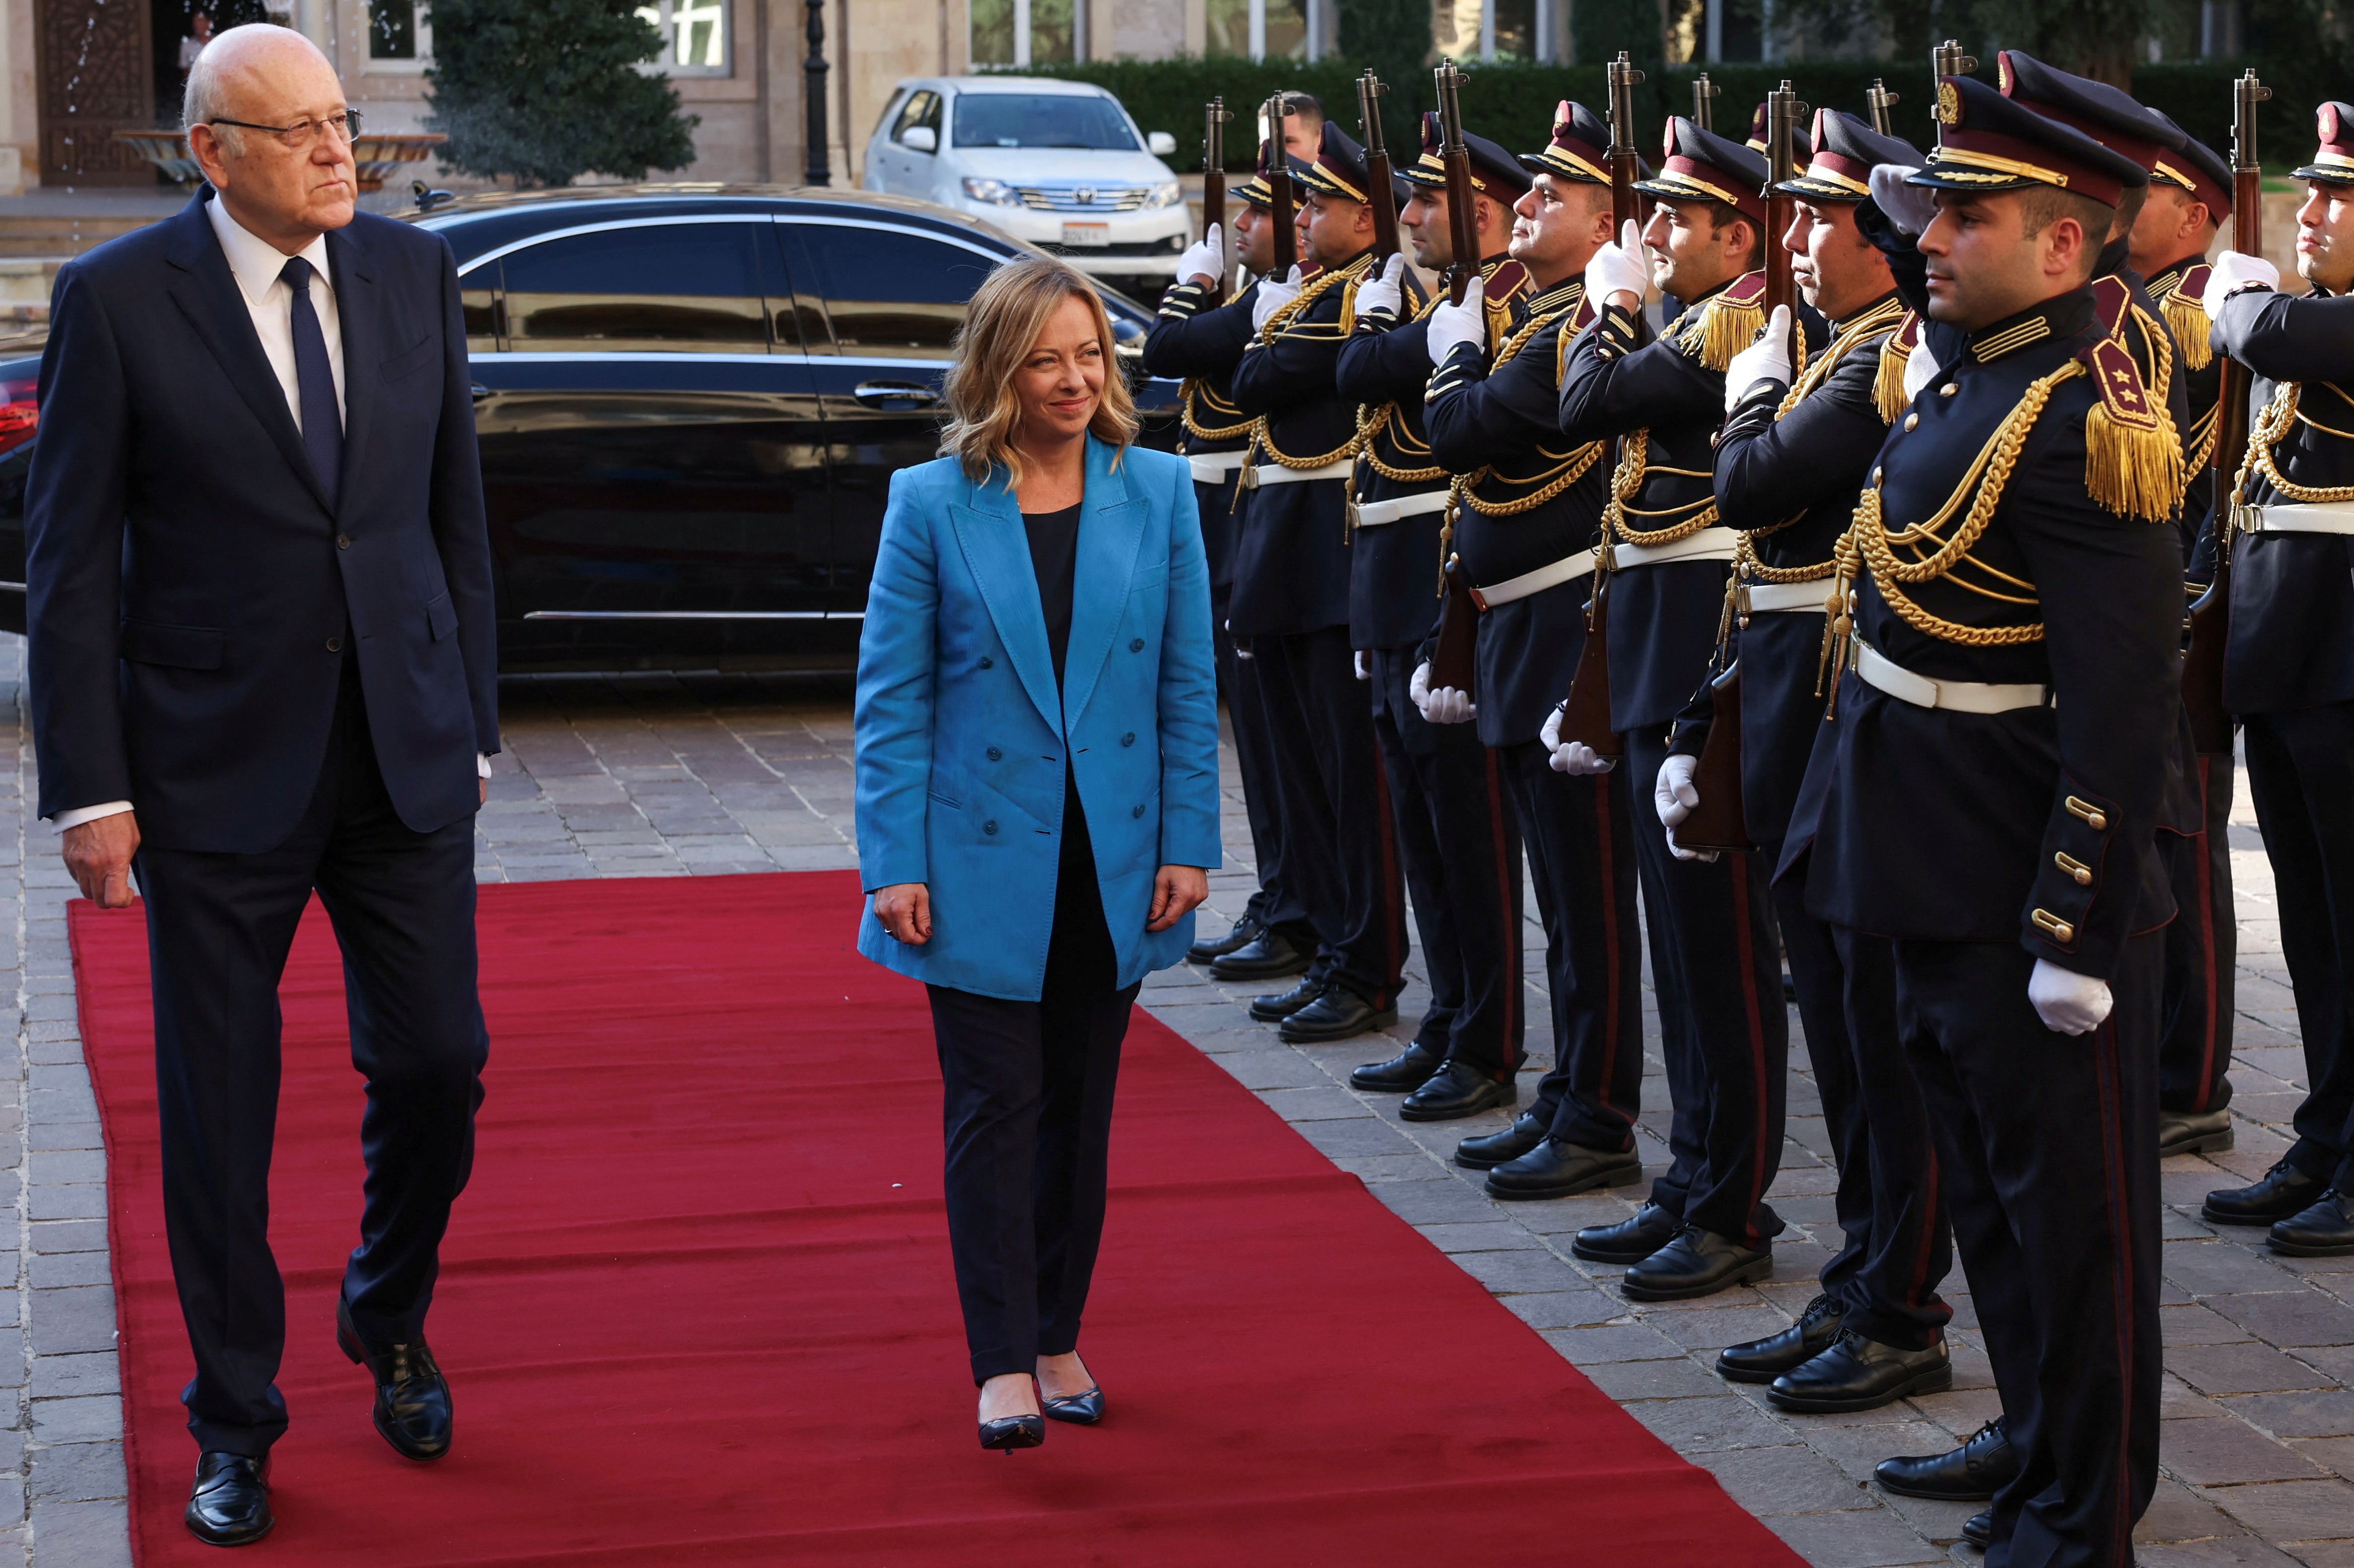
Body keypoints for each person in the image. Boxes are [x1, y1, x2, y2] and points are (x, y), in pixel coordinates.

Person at [25, 23, 496, 1547]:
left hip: (403, 752)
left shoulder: (415, 275)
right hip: (212, 769)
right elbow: (73, 557)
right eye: (296, 130)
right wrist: (89, 788)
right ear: (211, 151)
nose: (335, 149)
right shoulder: (116, 300)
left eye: (341, 121)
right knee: (219, 1113)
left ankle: (388, 1311)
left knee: (437, 1064)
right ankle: (236, 1417)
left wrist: (473, 718)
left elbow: (451, 519)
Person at [1786, 74, 2181, 1561]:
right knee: (2003, 1215)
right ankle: (2035, 1447)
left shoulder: (2087, 414)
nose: (1929, 236)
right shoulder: (1968, 375)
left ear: (2067, 248)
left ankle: (2086, 1514)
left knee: (2075, 1223)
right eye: (1935, 210)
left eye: (1967, 215)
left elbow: (2128, 701)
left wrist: (2074, 921)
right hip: (1922, 849)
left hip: (2021, 872)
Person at [852, 256, 1221, 1452]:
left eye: (1091, 356)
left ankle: (1058, 1333)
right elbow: (892, 701)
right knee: (994, 1105)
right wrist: (890, 862)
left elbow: (1183, 685)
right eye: (1046, 359)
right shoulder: (930, 499)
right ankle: (1000, 1358)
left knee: (1079, 1110)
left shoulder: (1157, 490)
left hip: (1112, 860)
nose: (1073, 380)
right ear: (998, 368)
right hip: (975, 860)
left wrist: (1189, 838)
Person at [1687, 108, 1956, 1415]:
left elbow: (1748, 487)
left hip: (1848, 729)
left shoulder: (1870, 365)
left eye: (1820, 219)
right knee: (1842, 1031)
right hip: (1799, 715)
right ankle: (1861, 1274)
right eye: (1789, 215)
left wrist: (1743, 393)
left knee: (1876, 1033)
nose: (1794, 239)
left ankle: (1900, 1296)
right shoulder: (1825, 348)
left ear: (1882, 241)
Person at [1547, 114, 1791, 1301]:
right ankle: (1694, 1174)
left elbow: (1583, 401)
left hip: (1697, 639)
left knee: (1719, 951)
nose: (1646, 235)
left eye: (1672, 219)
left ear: (1737, 233)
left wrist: (1605, 302)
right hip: (1650, 638)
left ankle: (1732, 1201)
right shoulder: (1694, 318)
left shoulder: (1736, 320)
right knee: (1682, 957)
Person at [1421, 102, 1646, 1198]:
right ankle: (1569, 1090)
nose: (1525, 203)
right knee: (1556, 896)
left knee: (1585, 897)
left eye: (1553, 196)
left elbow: (1457, 433)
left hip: (1566, 625)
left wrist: (1449, 359)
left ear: (1610, 219)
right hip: (1517, 621)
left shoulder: (1581, 325)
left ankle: (1600, 1110)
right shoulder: (1545, 314)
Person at [1336, 117, 1525, 1119]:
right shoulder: (1443, 305)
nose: (1405, 217)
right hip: (1398, 579)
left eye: (1425, 201)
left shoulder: (1502, 309)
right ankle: (1453, 1016)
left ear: (1483, 215)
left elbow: (1359, 375)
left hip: (1449, 593)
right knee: (1422, 827)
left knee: (1470, 834)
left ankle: (1488, 1039)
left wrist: (1384, 336)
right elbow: (1356, 376)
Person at [2198, 104, 2354, 1258]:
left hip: (2346, 670)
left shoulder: (2303, 327)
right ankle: (2328, 1131)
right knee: (2310, 924)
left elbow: (2272, 338)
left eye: (2340, 199)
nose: (2312, 214)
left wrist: (2233, 295)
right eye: (2309, 191)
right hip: (2293, 661)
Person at [1226, 123, 1409, 1045]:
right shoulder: (1317, 294)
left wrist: (1261, 342)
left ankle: (1365, 958)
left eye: (1324, 203)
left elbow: (1261, 375)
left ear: (1367, 216)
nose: (1303, 219)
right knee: (1304, 771)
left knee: (1353, 784)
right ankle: (1332, 943)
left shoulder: (1369, 294)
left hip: (1331, 566)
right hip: (1288, 559)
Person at [1147, 148, 1320, 987]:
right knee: (1257, 736)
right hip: (1224, 508)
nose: (1239, 227)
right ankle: (1284, 900)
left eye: (1255, 215)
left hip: (1247, 516)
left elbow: (1163, 347)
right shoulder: (1260, 301)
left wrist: (1194, 291)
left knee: (1281, 739)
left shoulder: (1287, 303)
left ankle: (1301, 910)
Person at [2133, 115, 2243, 1159]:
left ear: (2199, 213)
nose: (2126, 202)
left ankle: (2192, 1074)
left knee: (2189, 841)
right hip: (2138, 606)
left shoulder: (2193, 315)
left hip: (2177, 604)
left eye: (2149, 189)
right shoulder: (2126, 309)